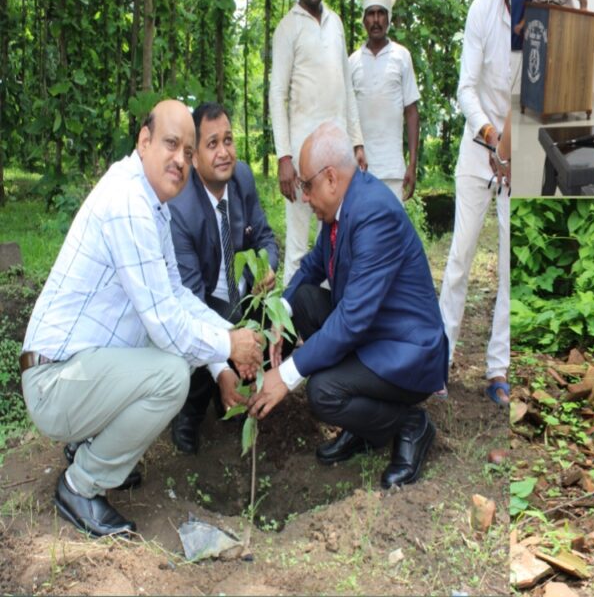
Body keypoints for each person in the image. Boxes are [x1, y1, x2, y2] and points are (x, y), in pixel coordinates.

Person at [20, 100, 262, 538]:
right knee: (171, 373)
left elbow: (176, 297)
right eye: (172, 144)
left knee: (183, 352)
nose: (181, 160)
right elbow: (167, 324)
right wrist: (229, 348)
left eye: (188, 152)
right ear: (144, 141)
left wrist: (224, 348)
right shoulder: (128, 203)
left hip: (79, 368)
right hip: (54, 382)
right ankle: (81, 484)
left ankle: (89, 447)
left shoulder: (152, 204)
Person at [246, 120, 447, 489]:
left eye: (306, 185)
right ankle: (365, 425)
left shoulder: (374, 214)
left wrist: (287, 375)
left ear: (331, 179)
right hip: (375, 332)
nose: (304, 196)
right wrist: (281, 318)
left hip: (406, 349)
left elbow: (353, 320)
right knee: (304, 299)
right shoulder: (342, 206)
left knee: (322, 391)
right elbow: (312, 267)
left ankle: (409, 426)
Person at [168, 102, 279, 454]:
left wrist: (267, 267)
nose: (223, 152)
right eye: (212, 143)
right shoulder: (181, 209)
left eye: (228, 140)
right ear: (195, 156)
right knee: (203, 341)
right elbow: (189, 306)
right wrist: (221, 367)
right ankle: (189, 412)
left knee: (281, 328)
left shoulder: (243, 178)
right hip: (204, 304)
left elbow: (264, 237)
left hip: (244, 298)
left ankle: (236, 398)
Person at [438, 0, 511, 406]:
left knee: (510, 264)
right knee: (460, 258)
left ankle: (497, 370)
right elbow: (465, 87)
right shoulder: (482, 9)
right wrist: (491, 135)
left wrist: (515, 146)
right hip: (478, 145)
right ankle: (438, 363)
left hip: (518, 154)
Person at [270, 0, 365, 285]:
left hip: (337, 155)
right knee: (298, 246)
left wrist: (356, 142)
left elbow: (347, 87)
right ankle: (288, 329)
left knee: (338, 239)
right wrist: (284, 155)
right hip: (301, 156)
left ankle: (330, 323)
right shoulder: (287, 29)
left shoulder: (336, 23)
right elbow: (277, 95)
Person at [348, 0, 421, 202]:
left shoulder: (402, 56)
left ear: (388, 19)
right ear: (364, 20)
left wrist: (412, 164)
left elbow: (411, 111)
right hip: (360, 170)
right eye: (371, 13)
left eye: (381, 13)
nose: (376, 19)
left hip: (393, 170)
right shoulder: (352, 62)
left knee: (392, 232)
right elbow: (346, 115)